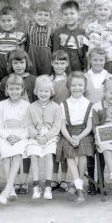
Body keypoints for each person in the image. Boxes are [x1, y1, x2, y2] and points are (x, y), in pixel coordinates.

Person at [0, 49, 36, 194]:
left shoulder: (33, 79)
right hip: (9, 126)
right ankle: (12, 183)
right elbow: (2, 104)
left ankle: (24, 180)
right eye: (15, 62)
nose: (19, 65)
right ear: (10, 64)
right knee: (10, 152)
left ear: (26, 63)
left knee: (25, 148)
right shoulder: (5, 81)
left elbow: (37, 102)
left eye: (22, 62)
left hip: (27, 123)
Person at [56, 72, 94, 202]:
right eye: (74, 85)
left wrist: (78, 137)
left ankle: (77, 185)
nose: (77, 88)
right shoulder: (64, 104)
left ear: (85, 86)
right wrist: (70, 138)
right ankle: (80, 188)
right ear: (69, 86)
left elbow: (89, 127)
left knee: (82, 154)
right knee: (70, 155)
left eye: (80, 85)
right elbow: (62, 127)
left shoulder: (89, 104)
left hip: (84, 133)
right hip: (68, 134)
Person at [25, 76, 62, 200]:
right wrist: (36, 135)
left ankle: (48, 187)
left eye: (46, 91)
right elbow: (29, 124)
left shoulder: (56, 107)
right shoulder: (31, 107)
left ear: (51, 92)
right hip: (35, 136)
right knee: (34, 156)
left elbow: (57, 126)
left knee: (48, 155)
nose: (43, 93)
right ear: (36, 91)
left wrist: (47, 137)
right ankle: (36, 186)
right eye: (40, 91)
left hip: (50, 137)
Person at [0, 74, 30, 204]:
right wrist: (7, 136)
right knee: (5, 156)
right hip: (6, 135)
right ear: (7, 90)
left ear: (22, 89)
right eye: (11, 89)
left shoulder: (26, 105)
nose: (14, 92)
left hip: (21, 136)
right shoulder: (1, 104)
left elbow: (28, 126)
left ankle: (8, 189)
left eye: (17, 88)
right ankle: (12, 189)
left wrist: (19, 137)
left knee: (16, 155)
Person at [84, 47, 112, 195]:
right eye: (95, 60)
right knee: (90, 152)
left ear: (105, 61)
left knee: (102, 152)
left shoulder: (109, 77)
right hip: (87, 121)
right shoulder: (84, 77)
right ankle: (91, 183)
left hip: (104, 121)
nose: (98, 62)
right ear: (90, 60)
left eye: (101, 60)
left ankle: (101, 183)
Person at [49, 50, 71, 191]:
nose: (59, 66)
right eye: (56, 63)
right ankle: (54, 177)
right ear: (52, 63)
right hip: (52, 118)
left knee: (64, 150)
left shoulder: (70, 80)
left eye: (62, 63)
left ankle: (64, 178)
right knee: (53, 149)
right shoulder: (48, 80)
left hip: (66, 119)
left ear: (67, 63)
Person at [85, 0, 112, 75]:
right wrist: (87, 66)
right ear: (95, 11)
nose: (102, 12)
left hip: (110, 62)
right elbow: (87, 48)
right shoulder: (90, 27)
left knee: (109, 83)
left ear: (110, 11)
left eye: (105, 9)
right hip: (94, 62)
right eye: (100, 9)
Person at [52, 0, 89, 72]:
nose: (69, 16)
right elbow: (55, 52)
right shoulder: (58, 32)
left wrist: (85, 67)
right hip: (62, 65)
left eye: (72, 13)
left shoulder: (83, 32)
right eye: (65, 14)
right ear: (62, 15)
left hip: (78, 65)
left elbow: (85, 53)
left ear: (78, 14)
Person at [0, 6, 26, 81]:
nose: (6, 23)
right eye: (3, 21)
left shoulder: (19, 35)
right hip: (0, 64)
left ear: (15, 21)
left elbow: (22, 53)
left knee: (14, 80)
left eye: (9, 20)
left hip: (13, 62)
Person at [25, 2, 55, 76]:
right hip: (32, 59)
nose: (43, 17)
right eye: (40, 14)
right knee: (32, 77)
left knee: (45, 78)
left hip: (46, 61)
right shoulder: (29, 29)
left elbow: (54, 49)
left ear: (50, 17)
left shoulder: (51, 31)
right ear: (34, 15)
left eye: (46, 15)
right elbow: (25, 47)